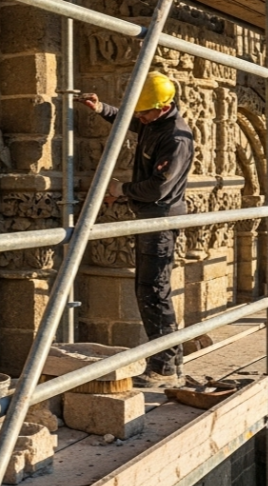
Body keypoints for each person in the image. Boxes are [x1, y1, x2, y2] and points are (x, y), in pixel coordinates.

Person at [76, 72, 194, 388]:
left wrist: (121, 189)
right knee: (150, 290)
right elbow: (130, 119)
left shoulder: (176, 139)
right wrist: (102, 109)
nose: (139, 116)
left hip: (161, 221)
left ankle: (165, 369)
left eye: (145, 111)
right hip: (150, 218)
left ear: (164, 105)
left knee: (153, 291)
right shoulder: (152, 120)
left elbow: (157, 188)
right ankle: (170, 362)